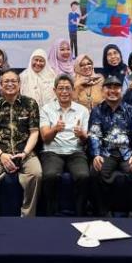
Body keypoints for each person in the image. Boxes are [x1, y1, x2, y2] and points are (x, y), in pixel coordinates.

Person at [0, 70, 41, 217]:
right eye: (6, 81)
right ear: (0, 85)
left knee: (36, 173)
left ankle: (27, 217)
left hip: (25, 151)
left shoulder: (30, 103)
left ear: (19, 85)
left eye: (14, 81)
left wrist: (25, 153)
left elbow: (34, 132)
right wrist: (1, 155)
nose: (10, 84)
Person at [89, 76, 132, 217]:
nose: (112, 91)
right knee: (94, 173)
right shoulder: (97, 110)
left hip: (127, 152)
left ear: (121, 90)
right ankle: (103, 212)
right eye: (109, 87)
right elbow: (94, 134)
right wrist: (96, 154)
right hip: (106, 152)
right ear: (103, 91)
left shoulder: (131, 110)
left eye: (116, 87)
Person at [39, 74, 90, 216]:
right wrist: (55, 129)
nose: (64, 92)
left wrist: (81, 135)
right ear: (54, 90)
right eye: (60, 88)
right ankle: (51, 214)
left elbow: (86, 140)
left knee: (83, 176)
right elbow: (45, 138)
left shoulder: (83, 110)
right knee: (50, 176)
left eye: (68, 88)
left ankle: (80, 214)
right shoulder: (46, 109)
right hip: (52, 151)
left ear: (73, 90)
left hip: (75, 151)